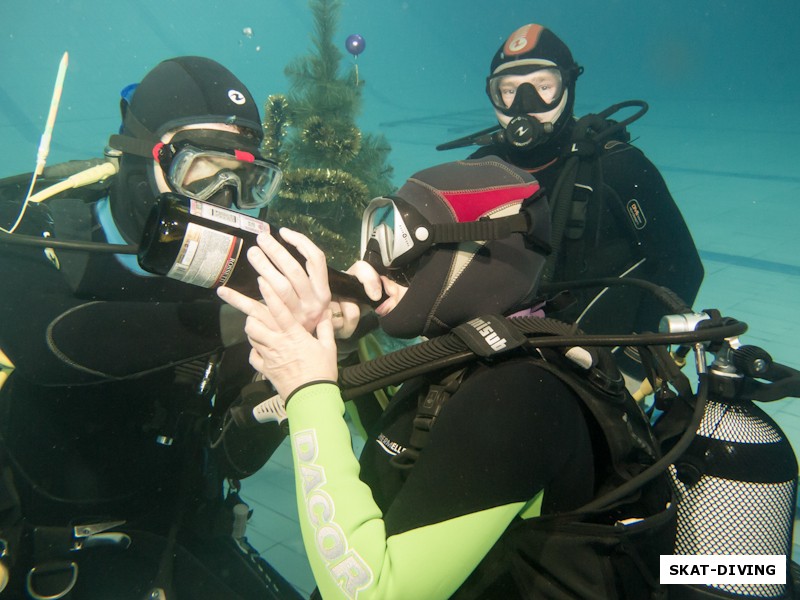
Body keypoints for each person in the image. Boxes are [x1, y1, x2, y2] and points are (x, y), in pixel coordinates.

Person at [218, 157, 676, 599]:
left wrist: (307, 391)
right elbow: (397, 444)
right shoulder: (468, 355)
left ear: (479, 251)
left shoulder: (515, 397)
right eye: (377, 236)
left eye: (400, 244)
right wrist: (339, 350)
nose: (372, 266)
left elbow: (372, 591)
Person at [0, 56, 300, 598]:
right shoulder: (29, 222)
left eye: (249, 182)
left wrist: (288, 380)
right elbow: (46, 342)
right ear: (137, 154)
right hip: (51, 549)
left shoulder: (236, 270)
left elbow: (233, 454)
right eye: (201, 173)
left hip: (183, 531)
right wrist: (234, 319)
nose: (224, 204)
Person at [462, 23, 705, 373]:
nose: (524, 105)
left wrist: (635, 367)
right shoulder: (477, 171)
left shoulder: (619, 168)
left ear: (568, 86)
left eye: (543, 87)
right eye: (509, 91)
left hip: (597, 373)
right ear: (493, 95)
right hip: (496, 362)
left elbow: (681, 266)